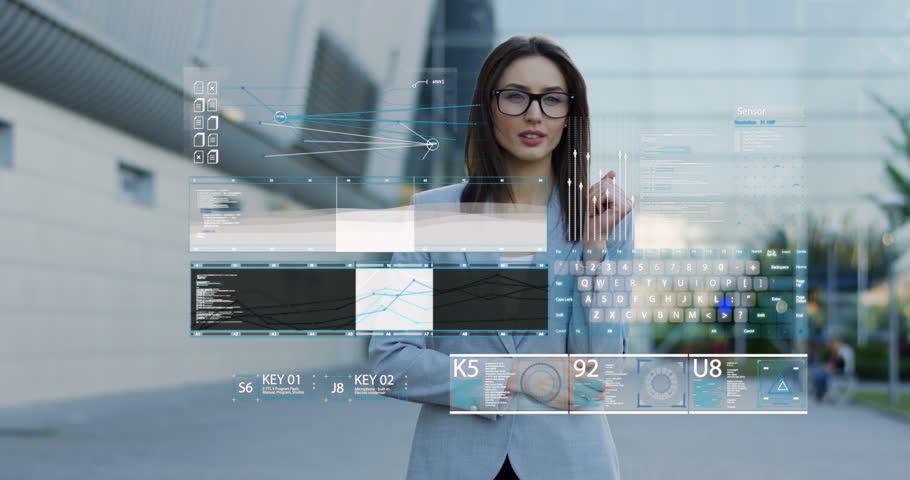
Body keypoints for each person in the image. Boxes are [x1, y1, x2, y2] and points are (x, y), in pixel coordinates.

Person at [369, 35, 634, 480]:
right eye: (515, 97)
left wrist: (593, 253)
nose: (534, 113)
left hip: (569, 463)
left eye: (552, 99)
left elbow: (601, 372)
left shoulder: (605, 219)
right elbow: (389, 362)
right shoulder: (430, 213)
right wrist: (513, 374)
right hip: (457, 461)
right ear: (488, 106)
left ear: (571, 114)